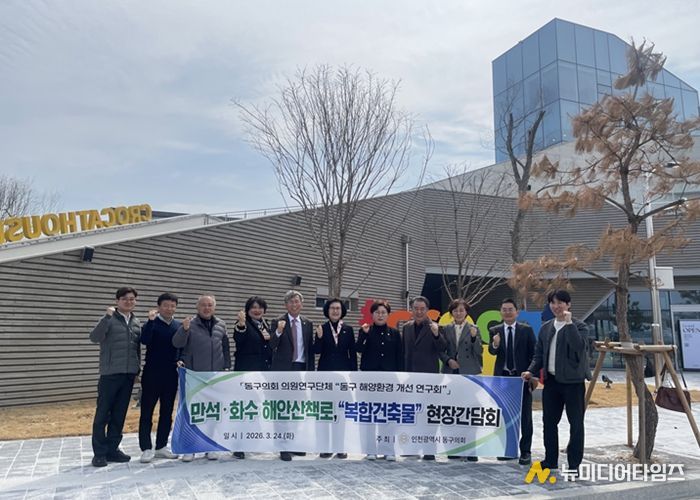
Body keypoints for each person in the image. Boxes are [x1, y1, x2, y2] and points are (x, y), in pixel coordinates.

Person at [522, 290, 589, 474]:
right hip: (551, 382)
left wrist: (569, 324)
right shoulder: (546, 327)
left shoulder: (580, 326)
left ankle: (574, 464)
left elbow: (578, 347)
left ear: (568, 304)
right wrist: (531, 371)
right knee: (549, 423)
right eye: (553, 303)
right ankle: (550, 460)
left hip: (573, 383)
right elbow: (538, 354)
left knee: (576, 424)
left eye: (560, 302)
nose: (556, 306)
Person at [172, 294, 231, 462]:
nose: (207, 308)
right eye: (203, 305)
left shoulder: (221, 324)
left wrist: (226, 366)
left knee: (212, 412)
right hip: (194, 376)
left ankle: (209, 446)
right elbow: (177, 343)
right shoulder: (189, 324)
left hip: (215, 376)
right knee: (193, 412)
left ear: (214, 307)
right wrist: (184, 329)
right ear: (197, 307)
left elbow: (225, 346)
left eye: (210, 305)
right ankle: (189, 448)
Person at [89, 287, 142, 467]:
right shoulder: (109, 319)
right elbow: (94, 337)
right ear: (117, 301)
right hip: (110, 374)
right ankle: (99, 453)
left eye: (132, 299)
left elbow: (136, 348)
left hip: (128, 375)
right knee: (103, 414)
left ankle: (113, 449)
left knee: (119, 414)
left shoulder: (136, 322)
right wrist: (106, 317)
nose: (129, 302)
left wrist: (137, 370)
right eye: (125, 299)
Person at [488, 298, 537, 465]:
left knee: (525, 416)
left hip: (521, 378)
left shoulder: (526, 330)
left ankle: (525, 451)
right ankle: (507, 449)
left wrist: (532, 374)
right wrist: (495, 344)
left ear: (517, 312)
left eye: (510, 309)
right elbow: (492, 351)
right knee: (504, 415)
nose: (507, 312)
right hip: (503, 378)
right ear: (501, 312)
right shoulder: (495, 330)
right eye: (504, 309)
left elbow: (534, 354)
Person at [270, 290, 314, 461]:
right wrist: (278, 331)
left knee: (297, 409)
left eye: (297, 301)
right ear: (285, 305)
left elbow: (309, 349)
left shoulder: (307, 323)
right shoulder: (277, 321)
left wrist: (310, 373)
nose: (294, 305)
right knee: (282, 408)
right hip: (283, 370)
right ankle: (283, 446)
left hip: (301, 368)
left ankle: (295, 443)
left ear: (301, 304)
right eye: (291, 302)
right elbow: (272, 345)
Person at [402, 296, 446, 461]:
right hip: (410, 377)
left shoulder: (435, 327)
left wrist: (436, 335)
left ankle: (429, 448)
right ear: (412, 310)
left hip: (429, 378)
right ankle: (411, 446)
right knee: (412, 414)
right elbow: (404, 351)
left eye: (422, 309)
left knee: (428, 414)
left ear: (427, 310)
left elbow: (443, 348)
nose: (419, 312)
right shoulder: (406, 327)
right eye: (416, 308)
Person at [357, 299, 402, 461]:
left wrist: (400, 378)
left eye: (383, 312)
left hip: (389, 381)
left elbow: (399, 356)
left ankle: (388, 449)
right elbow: (358, 349)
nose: (380, 315)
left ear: (388, 315)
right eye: (377, 312)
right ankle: (370, 449)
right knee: (370, 415)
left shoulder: (395, 333)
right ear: (372, 315)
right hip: (370, 380)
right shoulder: (366, 330)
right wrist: (364, 334)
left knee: (388, 415)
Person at [138, 292, 181, 464]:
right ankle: (146, 448)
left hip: (171, 374)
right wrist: (150, 321)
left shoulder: (178, 326)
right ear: (159, 307)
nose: (169, 309)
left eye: (172, 306)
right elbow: (145, 340)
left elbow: (180, 347)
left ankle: (161, 446)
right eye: (166, 305)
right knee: (146, 411)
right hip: (152, 373)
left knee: (167, 411)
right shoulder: (152, 324)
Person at [314, 298, 357, 459]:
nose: (335, 311)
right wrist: (319, 337)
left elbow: (352, 353)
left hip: (343, 376)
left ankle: (340, 446)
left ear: (342, 311)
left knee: (340, 413)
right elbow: (316, 351)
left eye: (338, 308)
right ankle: (325, 447)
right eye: (332, 308)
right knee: (325, 412)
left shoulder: (348, 329)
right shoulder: (322, 328)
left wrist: (353, 375)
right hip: (325, 374)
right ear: (327, 310)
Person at [231, 295, 273, 459]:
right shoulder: (243, 323)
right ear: (247, 310)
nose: (257, 310)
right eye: (253, 307)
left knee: (256, 406)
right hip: (246, 372)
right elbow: (238, 338)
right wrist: (241, 324)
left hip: (262, 372)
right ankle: (238, 445)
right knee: (244, 407)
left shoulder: (265, 324)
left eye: (260, 307)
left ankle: (252, 440)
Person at [441, 298, 482, 462]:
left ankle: (471, 449)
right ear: (451, 313)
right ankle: (454, 448)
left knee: (470, 412)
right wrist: (448, 360)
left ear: (466, 312)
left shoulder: (474, 328)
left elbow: (478, 351)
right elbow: (440, 350)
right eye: (455, 310)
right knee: (452, 412)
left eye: (462, 310)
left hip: (469, 373)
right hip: (451, 372)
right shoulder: (446, 329)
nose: (459, 313)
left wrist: (473, 338)